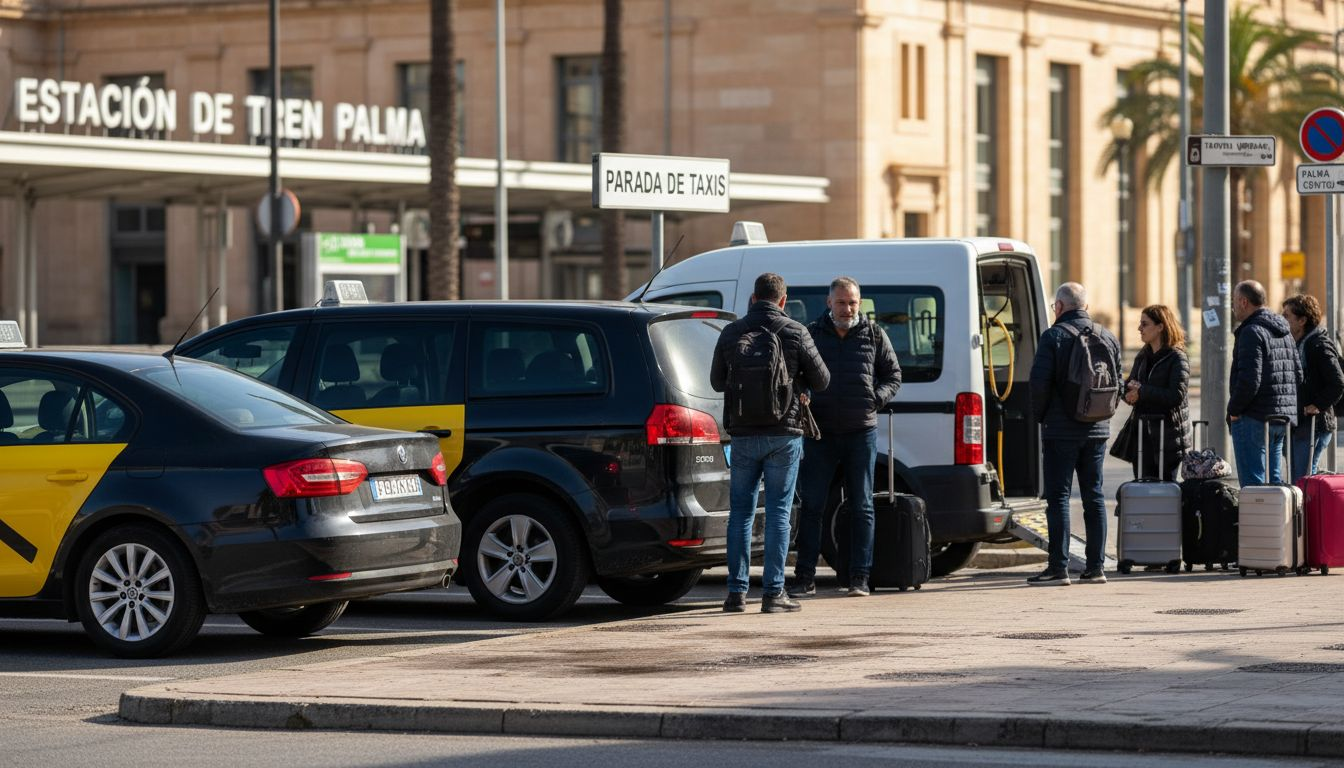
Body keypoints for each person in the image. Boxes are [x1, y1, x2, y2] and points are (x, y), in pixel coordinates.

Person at [711, 272, 830, 614]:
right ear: (783, 300)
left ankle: (736, 593)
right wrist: (797, 378)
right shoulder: (796, 331)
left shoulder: (732, 332)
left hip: (743, 434)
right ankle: (774, 593)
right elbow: (823, 380)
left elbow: (716, 382)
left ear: (753, 298)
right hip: (784, 434)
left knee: (740, 513)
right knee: (779, 512)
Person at [787, 277, 902, 599]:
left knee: (862, 506)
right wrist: (803, 396)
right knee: (812, 506)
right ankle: (804, 578)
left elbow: (893, 376)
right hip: (819, 434)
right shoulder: (810, 334)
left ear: (859, 303)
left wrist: (877, 398)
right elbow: (795, 376)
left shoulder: (874, 334)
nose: (847, 309)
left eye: (852, 303)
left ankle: (859, 578)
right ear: (829, 303)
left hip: (860, 432)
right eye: (841, 302)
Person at [1027, 282, 1121, 586]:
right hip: (1097, 429)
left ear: (1059, 307)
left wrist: (1040, 417)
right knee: (1094, 496)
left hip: (1060, 430)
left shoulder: (1053, 336)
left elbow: (1039, 384)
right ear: (1086, 307)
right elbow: (1117, 382)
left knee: (1059, 498)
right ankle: (1096, 568)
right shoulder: (1107, 336)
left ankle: (1058, 567)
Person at [1227, 280, 1301, 486]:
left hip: (1254, 417)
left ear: (1243, 302)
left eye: (1234, 301)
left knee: (1254, 486)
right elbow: (1298, 373)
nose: (1233, 306)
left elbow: (1249, 380)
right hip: (1281, 418)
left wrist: (1233, 410)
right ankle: (1276, 510)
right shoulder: (1284, 331)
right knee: (1274, 483)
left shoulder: (1251, 331)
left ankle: (1258, 511)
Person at [1121, 305, 1191, 481]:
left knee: (1165, 490)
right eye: (1140, 324)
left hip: (1167, 438)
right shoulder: (1143, 355)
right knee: (1141, 487)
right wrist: (1128, 393)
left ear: (1160, 327)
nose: (1139, 328)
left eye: (1145, 324)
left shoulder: (1177, 357)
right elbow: (1129, 385)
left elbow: (1176, 396)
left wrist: (1142, 391)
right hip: (1141, 436)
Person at [1282, 294, 1344, 481]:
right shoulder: (1299, 343)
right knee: (1298, 479)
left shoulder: (1318, 344)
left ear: (1302, 321)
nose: (1282, 319)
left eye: (1287, 316)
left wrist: (1317, 405)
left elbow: (1337, 382)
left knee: (1303, 480)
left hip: (1314, 425)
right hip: (1299, 423)